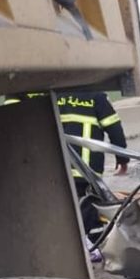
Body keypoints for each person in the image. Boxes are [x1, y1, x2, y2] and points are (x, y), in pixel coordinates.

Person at [56, 88, 130, 246]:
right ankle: (90, 247)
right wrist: (122, 158)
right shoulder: (95, 96)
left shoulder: (50, 94)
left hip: (54, 170)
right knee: (88, 211)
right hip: (86, 171)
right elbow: (114, 128)